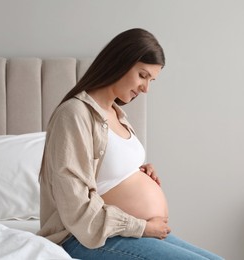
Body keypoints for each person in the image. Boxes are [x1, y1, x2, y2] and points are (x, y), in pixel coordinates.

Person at [37, 28, 223, 260]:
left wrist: (138, 172)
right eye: (143, 76)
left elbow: (105, 173)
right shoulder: (74, 114)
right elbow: (75, 205)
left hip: (127, 233)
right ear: (120, 62)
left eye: (151, 80)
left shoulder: (116, 114)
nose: (146, 89)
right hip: (86, 237)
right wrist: (141, 227)